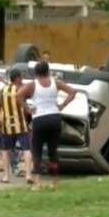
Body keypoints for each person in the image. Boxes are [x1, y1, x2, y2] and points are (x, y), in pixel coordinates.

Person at [17, 61, 77, 191]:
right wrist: (62, 105)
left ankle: (38, 182)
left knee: (37, 151)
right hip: (55, 117)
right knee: (53, 151)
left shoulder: (32, 85)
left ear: (36, 73)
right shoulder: (55, 83)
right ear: (48, 71)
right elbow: (72, 91)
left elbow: (18, 95)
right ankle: (55, 181)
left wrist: (27, 107)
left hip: (39, 118)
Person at [0, 68, 33, 184]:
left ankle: (6, 176)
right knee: (26, 148)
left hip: (7, 124)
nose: (22, 78)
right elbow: (25, 108)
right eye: (21, 76)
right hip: (21, 124)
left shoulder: (2, 91)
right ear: (17, 78)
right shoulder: (22, 90)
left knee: (5, 149)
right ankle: (28, 174)